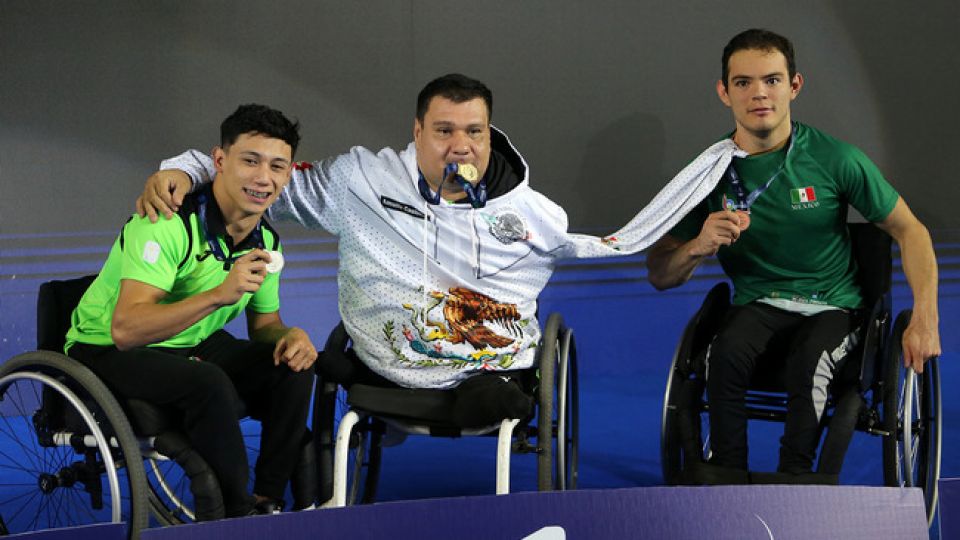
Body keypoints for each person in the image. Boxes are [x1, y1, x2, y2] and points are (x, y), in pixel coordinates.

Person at [137, 74, 740, 428]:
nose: (460, 145)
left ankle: (472, 392)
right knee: (322, 367)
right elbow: (261, 174)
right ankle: (385, 376)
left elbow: (608, 245)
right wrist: (183, 170)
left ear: (490, 135)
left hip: (486, 363)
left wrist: (692, 240)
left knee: (495, 386)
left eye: (473, 131)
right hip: (386, 354)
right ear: (417, 132)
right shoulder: (360, 181)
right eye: (444, 130)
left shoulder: (531, 213)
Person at [646, 29, 941, 478]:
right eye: (743, 82)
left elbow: (911, 231)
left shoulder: (835, 158)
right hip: (757, 303)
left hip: (832, 305)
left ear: (794, 85)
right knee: (723, 355)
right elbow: (661, 274)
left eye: (772, 80)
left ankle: (796, 484)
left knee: (810, 365)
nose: (759, 93)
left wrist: (925, 317)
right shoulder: (707, 174)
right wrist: (696, 246)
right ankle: (725, 476)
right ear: (725, 92)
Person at [66, 104, 317, 518]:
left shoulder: (266, 241)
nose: (263, 178)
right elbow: (127, 329)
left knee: (293, 367)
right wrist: (220, 294)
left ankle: (266, 500)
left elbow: (264, 325)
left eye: (277, 166)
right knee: (208, 382)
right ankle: (236, 518)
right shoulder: (165, 222)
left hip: (190, 340)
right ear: (219, 161)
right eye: (250, 161)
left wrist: (290, 336)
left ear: (288, 174)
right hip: (106, 347)